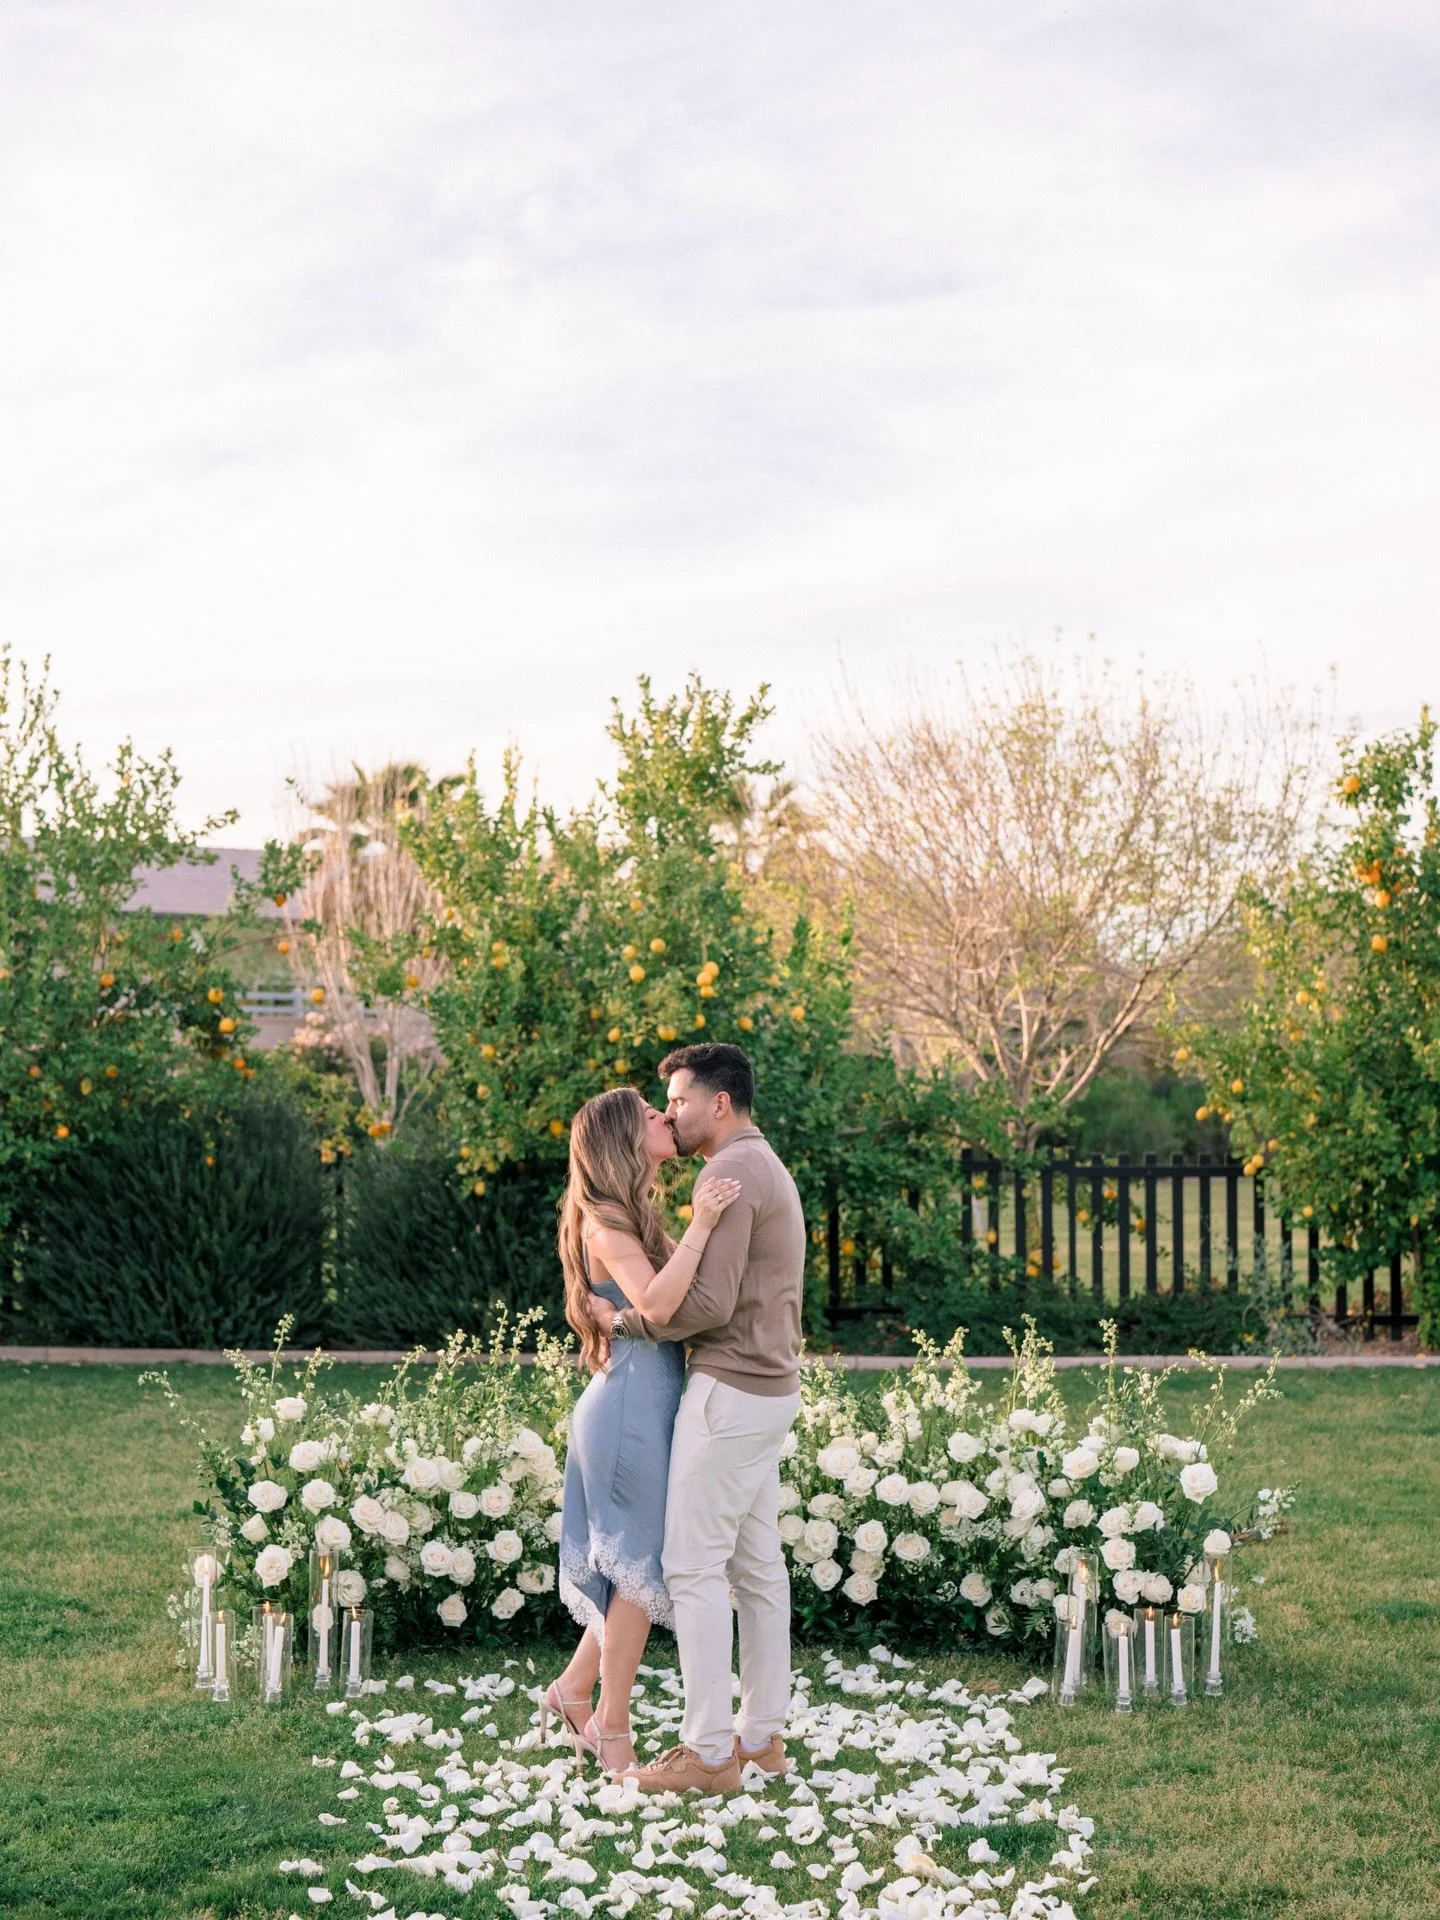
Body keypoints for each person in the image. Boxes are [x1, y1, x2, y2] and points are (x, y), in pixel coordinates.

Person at [580, 1042, 807, 1796]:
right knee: (756, 1566)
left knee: (692, 1568)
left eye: (675, 1100)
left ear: (718, 1103)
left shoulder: (728, 1170)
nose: (668, 1112)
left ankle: (710, 1754)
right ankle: (763, 1738)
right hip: (770, 1388)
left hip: (732, 1389)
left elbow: (702, 1305)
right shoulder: (762, 1162)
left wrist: (622, 1320)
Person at [543, 1084, 741, 1777]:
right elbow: (659, 1303)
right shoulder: (606, 1222)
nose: (666, 1118)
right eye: (652, 1115)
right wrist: (703, 1224)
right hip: (627, 1408)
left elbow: (670, 1302)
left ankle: (572, 1692)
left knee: (638, 1564)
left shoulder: (633, 1212)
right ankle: (611, 1726)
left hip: (647, 1399)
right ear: (626, 1139)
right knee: (636, 1571)